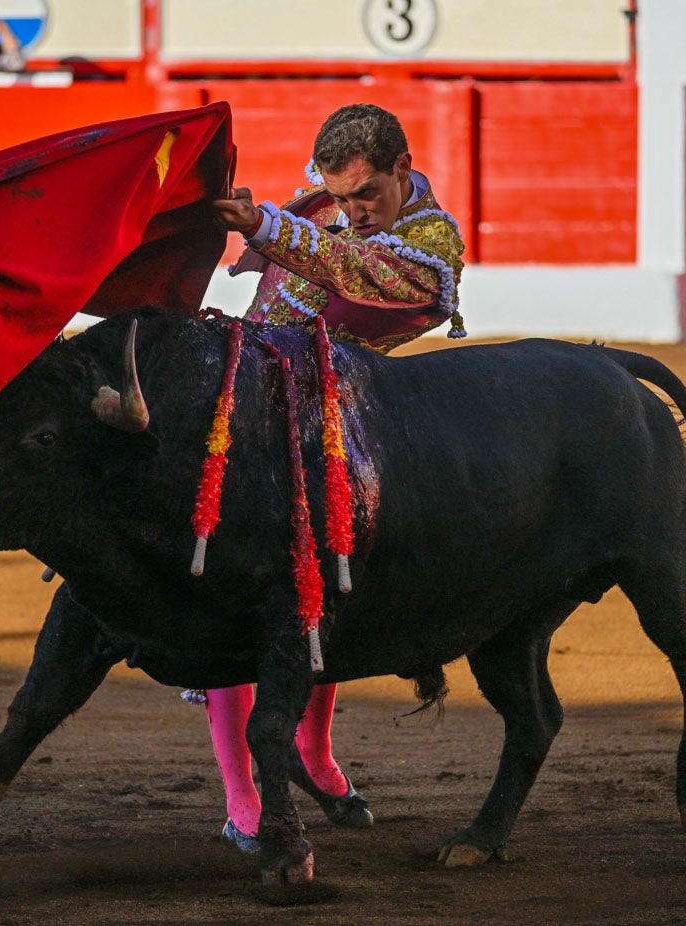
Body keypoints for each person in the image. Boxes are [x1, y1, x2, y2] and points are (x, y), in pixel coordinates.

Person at [206, 103, 466, 853]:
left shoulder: (431, 243)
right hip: (248, 416)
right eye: (341, 196)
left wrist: (267, 229)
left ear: (402, 172)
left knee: (321, 600)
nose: (352, 212)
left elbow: (361, 272)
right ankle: (242, 798)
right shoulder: (319, 206)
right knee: (227, 601)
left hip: (336, 436)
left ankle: (314, 759)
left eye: (366, 197)